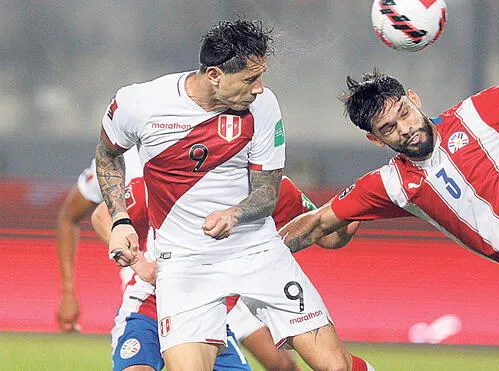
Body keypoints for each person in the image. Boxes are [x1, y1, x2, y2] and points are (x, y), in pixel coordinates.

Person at [280, 70, 499, 351]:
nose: (405, 128)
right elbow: (318, 223)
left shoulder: (480, 111)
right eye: (388, 128)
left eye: (404, 112)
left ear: (414, 99)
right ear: (375, 139)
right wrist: (252, 256)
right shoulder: (391, 185)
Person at [94, 19, 373, 371]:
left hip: (257, 252)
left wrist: (235, 214)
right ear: (214, 75)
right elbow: (107, 156)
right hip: (184, 264)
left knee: (335, 367)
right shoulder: (139, 103)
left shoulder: (263, 106)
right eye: (249, 79)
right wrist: (120, 220)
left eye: (261, 77)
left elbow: (267, 194)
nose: (259, 89)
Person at [91, 175, 358, 371]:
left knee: (298, 365)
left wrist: (354, 208)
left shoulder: (273, 188)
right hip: (150, 309)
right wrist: (140, 263)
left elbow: (329, 236)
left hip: (213, 316)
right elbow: (103, 214)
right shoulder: (172, 173)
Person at [56, 150, 142, 333]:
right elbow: (68, 218)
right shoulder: (118, 159)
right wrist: (68, 292)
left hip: (199, 285)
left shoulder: (201, 152)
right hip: (142, 289)